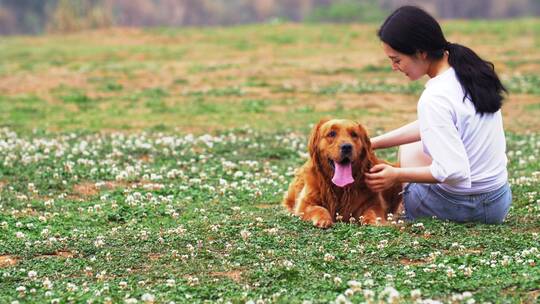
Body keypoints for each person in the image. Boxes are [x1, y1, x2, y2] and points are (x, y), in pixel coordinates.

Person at [364, 6, 512, 224]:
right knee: (418, 142)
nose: (394, 67)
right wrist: (372, 143)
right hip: (497, 204)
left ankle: (408, 208)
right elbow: (434, 125)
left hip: (459, 208)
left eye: (397, 59)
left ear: (420, 52)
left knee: (410, 149)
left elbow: (454, 171)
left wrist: (396, 175)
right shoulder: (469, 71)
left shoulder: (434, 97)